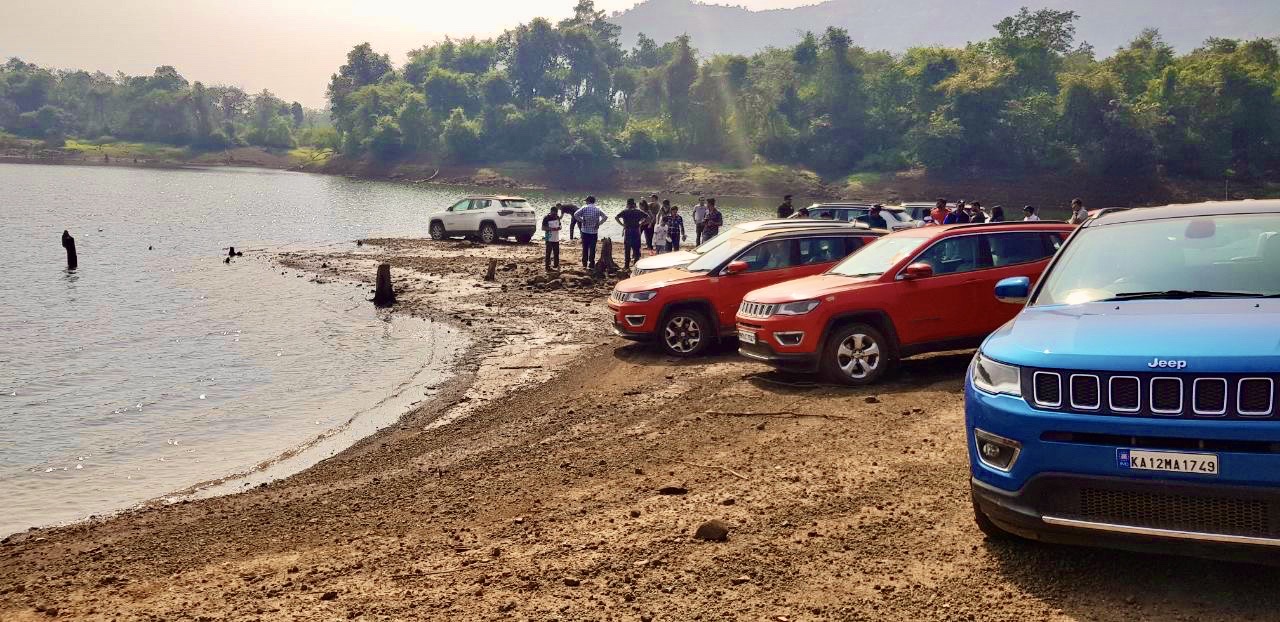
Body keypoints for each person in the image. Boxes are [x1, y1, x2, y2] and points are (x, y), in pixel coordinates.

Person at [616, 198, 650, 270]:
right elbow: (649, 218)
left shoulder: (625, 211)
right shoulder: (638, 211)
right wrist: (641, 224)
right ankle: (636, 265)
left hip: (628, 231)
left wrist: (622, 225)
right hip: (636, 231)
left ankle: (626, 265)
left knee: (627, 249)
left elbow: (616, 217)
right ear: (634, 204)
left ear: (627, 204)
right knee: (636, 249)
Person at [574, 196, 607, 269]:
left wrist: (582, 221)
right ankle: (591, 263)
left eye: (586, 201)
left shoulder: (584, 208)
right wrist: (599, 224)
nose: (585, 202)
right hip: (594, 232)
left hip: (585, 231)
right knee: (592, 248)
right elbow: (605, 217)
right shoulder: (597, 209)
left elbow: (575, 214)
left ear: (588, 201)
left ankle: (584, 263)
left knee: (585, 247)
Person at [541, 204, 562, 271]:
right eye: (553, 213)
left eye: (556, 213)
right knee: (548, 252)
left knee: (556, 252)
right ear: (551, 211)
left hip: (556, 237)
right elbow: (543, 228)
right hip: (548, 237)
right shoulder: (546, 218)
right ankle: (547, 267)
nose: (554, 215)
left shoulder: (557, 217)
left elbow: (560, 226)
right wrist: (551, 229)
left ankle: (556, 265)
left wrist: (559, 228)